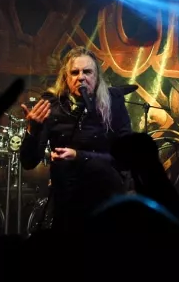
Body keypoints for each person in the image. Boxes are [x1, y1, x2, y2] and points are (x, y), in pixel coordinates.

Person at [20, 47, 133, 231]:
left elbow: (126, 158)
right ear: (66, 78)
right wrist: (32, 131)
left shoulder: (113, 103)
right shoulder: (53, 106)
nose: (81, 77)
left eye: (87, 72)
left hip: (107, 199)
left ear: (97, 77)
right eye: (74, 72)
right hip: (67, 205)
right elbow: (28, 161)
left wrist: (79, 156)